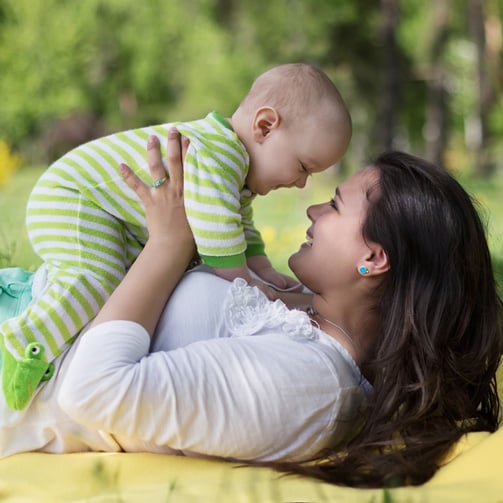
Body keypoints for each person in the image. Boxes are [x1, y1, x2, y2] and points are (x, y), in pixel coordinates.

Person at [1, 130, 500, 489]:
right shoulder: (308, 316)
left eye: (335, 205)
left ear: (373, 258)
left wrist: (168, 244)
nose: (312, 209)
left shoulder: (312, 385)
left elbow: (91, 391)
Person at [0, 63, 352, 411]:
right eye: (303, 166)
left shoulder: (233, 166)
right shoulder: (218, 155)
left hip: (99, 207)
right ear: (264, 126)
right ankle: (28, 340)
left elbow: (238, 225)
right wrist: (246, 284)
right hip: (73, 198)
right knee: (98, 276)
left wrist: (261, 267)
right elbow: (219, 235)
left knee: (116, 283)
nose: (302, 183)